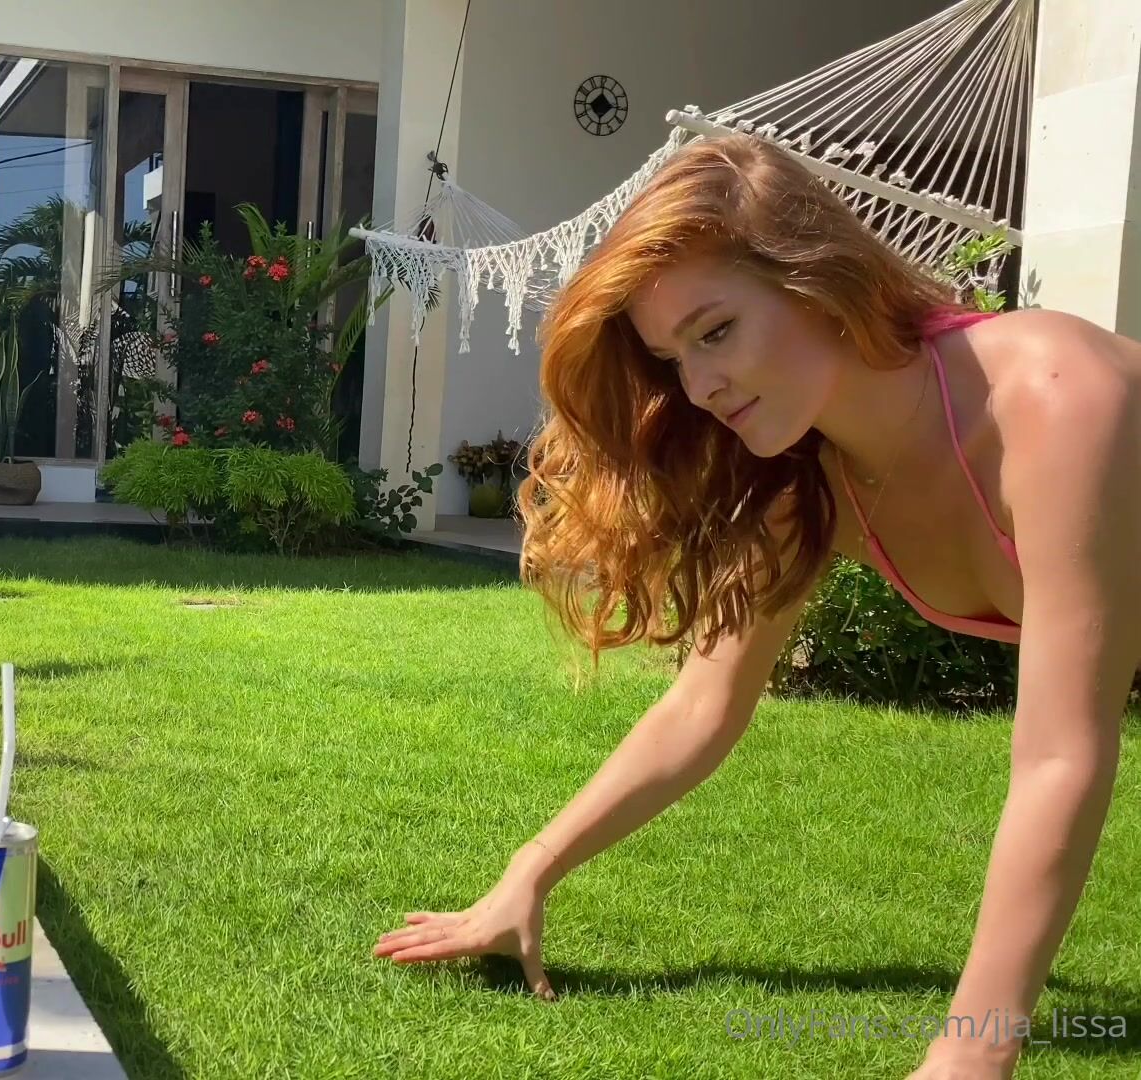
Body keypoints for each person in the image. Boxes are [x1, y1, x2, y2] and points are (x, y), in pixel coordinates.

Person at [372, 134, 1141, 1080]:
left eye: (716, 332)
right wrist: (530, 871)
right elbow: (703, 704)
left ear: (814, 278)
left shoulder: (1056, 402)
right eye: (674, 358)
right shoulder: (810, 480)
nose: (698, 387)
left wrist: (969, 1056)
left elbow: (1063, 753)